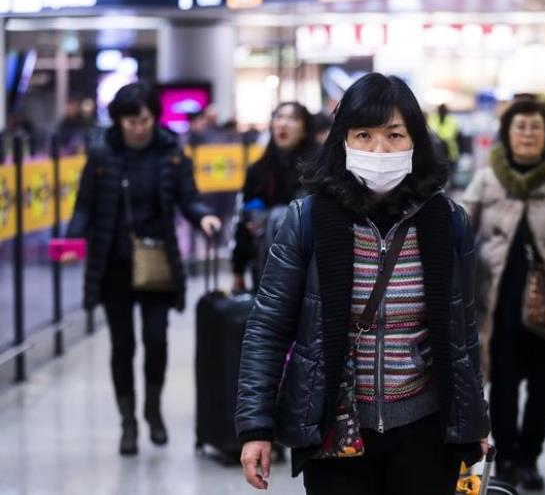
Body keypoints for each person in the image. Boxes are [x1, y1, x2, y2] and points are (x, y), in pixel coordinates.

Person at [235, 73, 490, 494]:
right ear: (342, 142)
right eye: (364, 135)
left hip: (424, 429)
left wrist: (472, 417)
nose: (379, 149)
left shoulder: (446, 222)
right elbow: (267, 328)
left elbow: (461, 330)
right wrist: (255, 426)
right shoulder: (307, 220)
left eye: (394, 135)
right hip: (337, 429)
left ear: (416, 142)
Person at [66, 82, 221, 456]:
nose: (138, 127)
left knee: (156, 339)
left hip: (157, 260)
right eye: (131, 121)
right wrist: (71, 241)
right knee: (122, 344)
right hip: (114, 263)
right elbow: (84, 205)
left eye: (145, 120)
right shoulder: (102, 155)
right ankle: (128, 423)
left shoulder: (170, 153)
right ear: (118, 120)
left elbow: (189, 197)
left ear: (154, 118)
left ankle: (152, 409)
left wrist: (204, 218)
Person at [462, 99, 545, 490]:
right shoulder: (487, 177)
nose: (528, 134)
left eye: (536, 127)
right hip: (499, 299)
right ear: (507, 133)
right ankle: (507, 458)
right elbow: (462, 227)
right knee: (501, 383)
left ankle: (530, 457)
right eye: (521, 127)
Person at [231, 101, 318, 292]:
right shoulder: (259, 169)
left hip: (310, 266)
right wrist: (237, 269)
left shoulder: (319, 167)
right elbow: (244, 220)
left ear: (305, 129)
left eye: (292, 118)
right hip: (265, 262)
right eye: (279, 117)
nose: (283, 124)